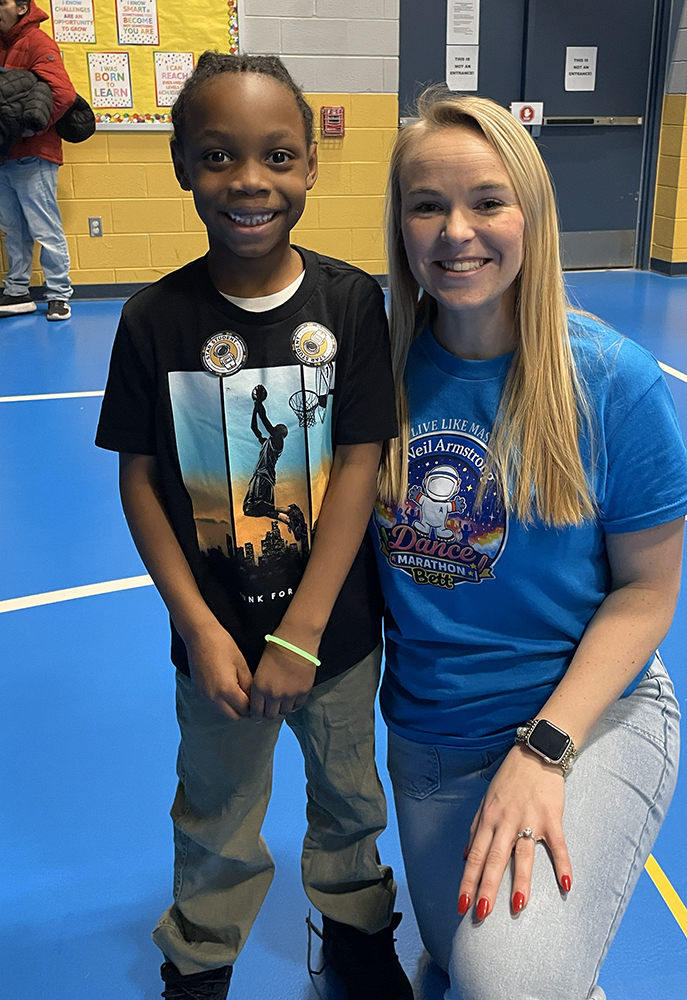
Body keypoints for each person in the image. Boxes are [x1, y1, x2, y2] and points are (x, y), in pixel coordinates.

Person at [373, 89, 687, 1000]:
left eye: (488, 201)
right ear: (400, 223)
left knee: (506, 984)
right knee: (451, 963)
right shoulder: (376, 371)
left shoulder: (610, 378)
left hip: (585, 717)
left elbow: (647, 593)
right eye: (427, 205)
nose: (457, 232)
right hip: (432, 737)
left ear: (532, 213)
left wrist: (545, 749)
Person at [95, 52, 413, 1000]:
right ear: (182, 165)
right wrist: (199, 628)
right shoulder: (153, 320)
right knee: (216, 810)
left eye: (277, 156)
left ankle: (355, 936)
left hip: (336, 640)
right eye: (218, 155)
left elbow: (359, 464)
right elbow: (140, 482)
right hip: (219, 651)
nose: (249, 181)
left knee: (352, 797)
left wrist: (303, 634)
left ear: (310, 166)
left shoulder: (351, 303)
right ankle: (200, 959)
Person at [0, 0, 74, 320]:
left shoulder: (37, 42)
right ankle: (17, 291)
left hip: (33, 154)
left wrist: (32, 129)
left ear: (21, 7)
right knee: (12, 228)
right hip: (4, 155)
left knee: (44, 227)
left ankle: (59, 293)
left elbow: (63, 93)